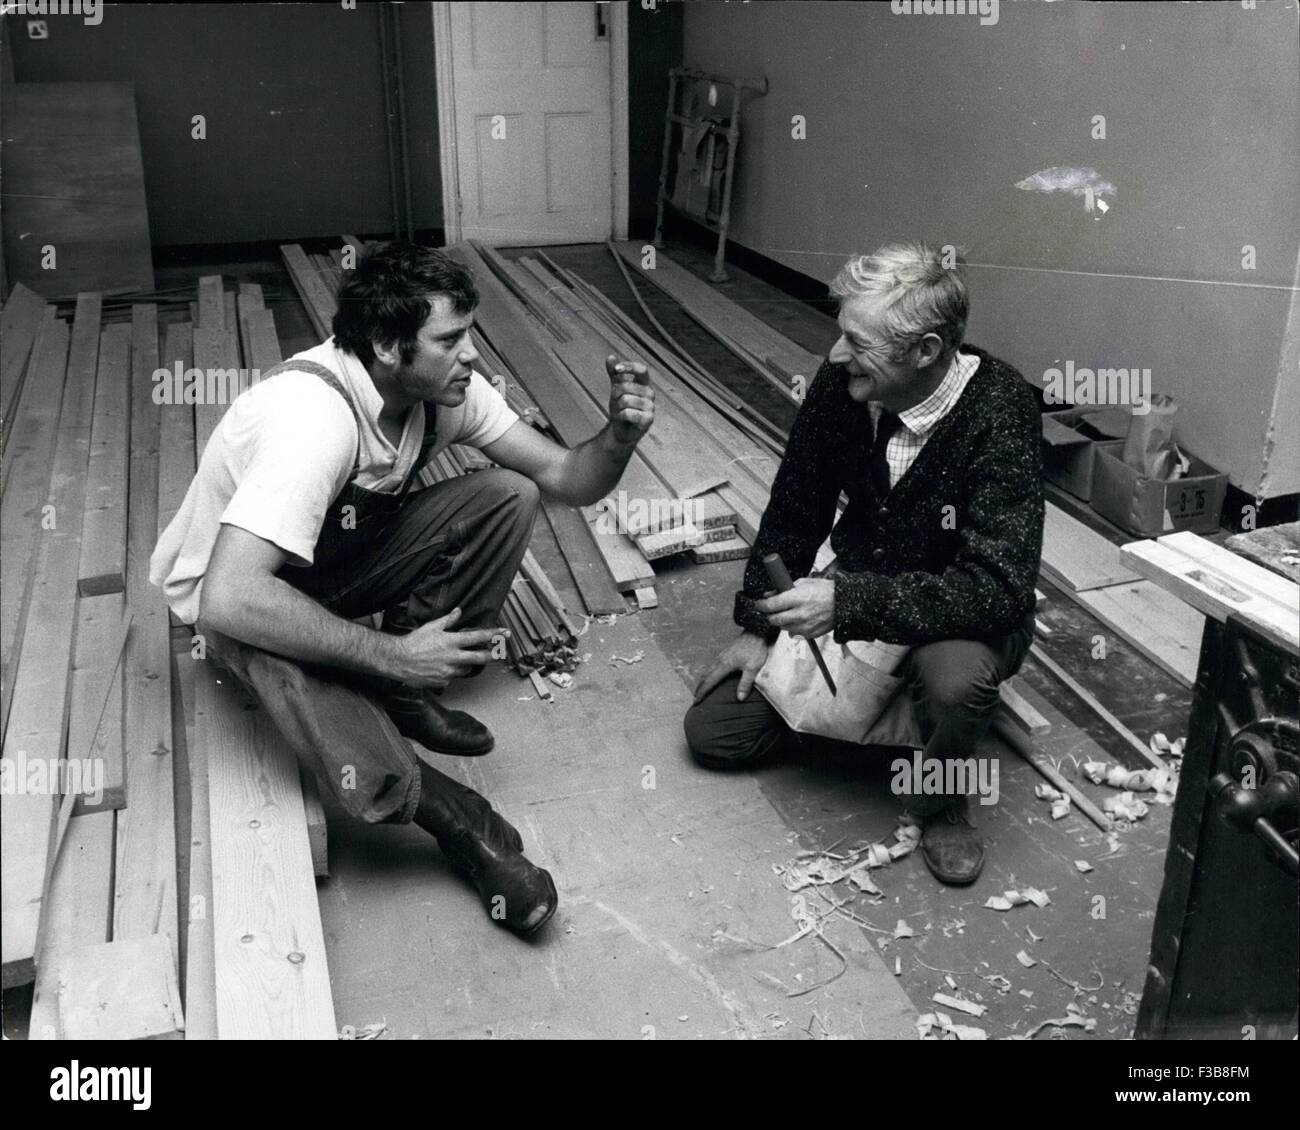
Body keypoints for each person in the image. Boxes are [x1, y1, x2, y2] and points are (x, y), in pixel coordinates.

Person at [151, 242, 655, 934]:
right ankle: (453, 816)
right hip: (237, 596)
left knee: (508, 494)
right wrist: (390, 652)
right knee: (280, 657)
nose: (472, 355)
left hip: (325, 564)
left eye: (468, 334)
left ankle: (402, 693)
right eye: (450, 340)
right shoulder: (312, 422)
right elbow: (231, 598)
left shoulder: (442, 390)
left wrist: (619, 439)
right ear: (389, 346)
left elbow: (567, 478)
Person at [684, 242, 1042, 885]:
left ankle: (941, 799)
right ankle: (892, 721)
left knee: (956, 682)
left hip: (958, 612)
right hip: (866, 592)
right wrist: (755, 626)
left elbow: (1001, 587)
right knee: (716, 735)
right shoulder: (845, 385)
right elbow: (798, 502)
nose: (835, 354)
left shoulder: (1002, 409)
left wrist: (847, 605)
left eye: (858, 341)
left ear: (926, 351)